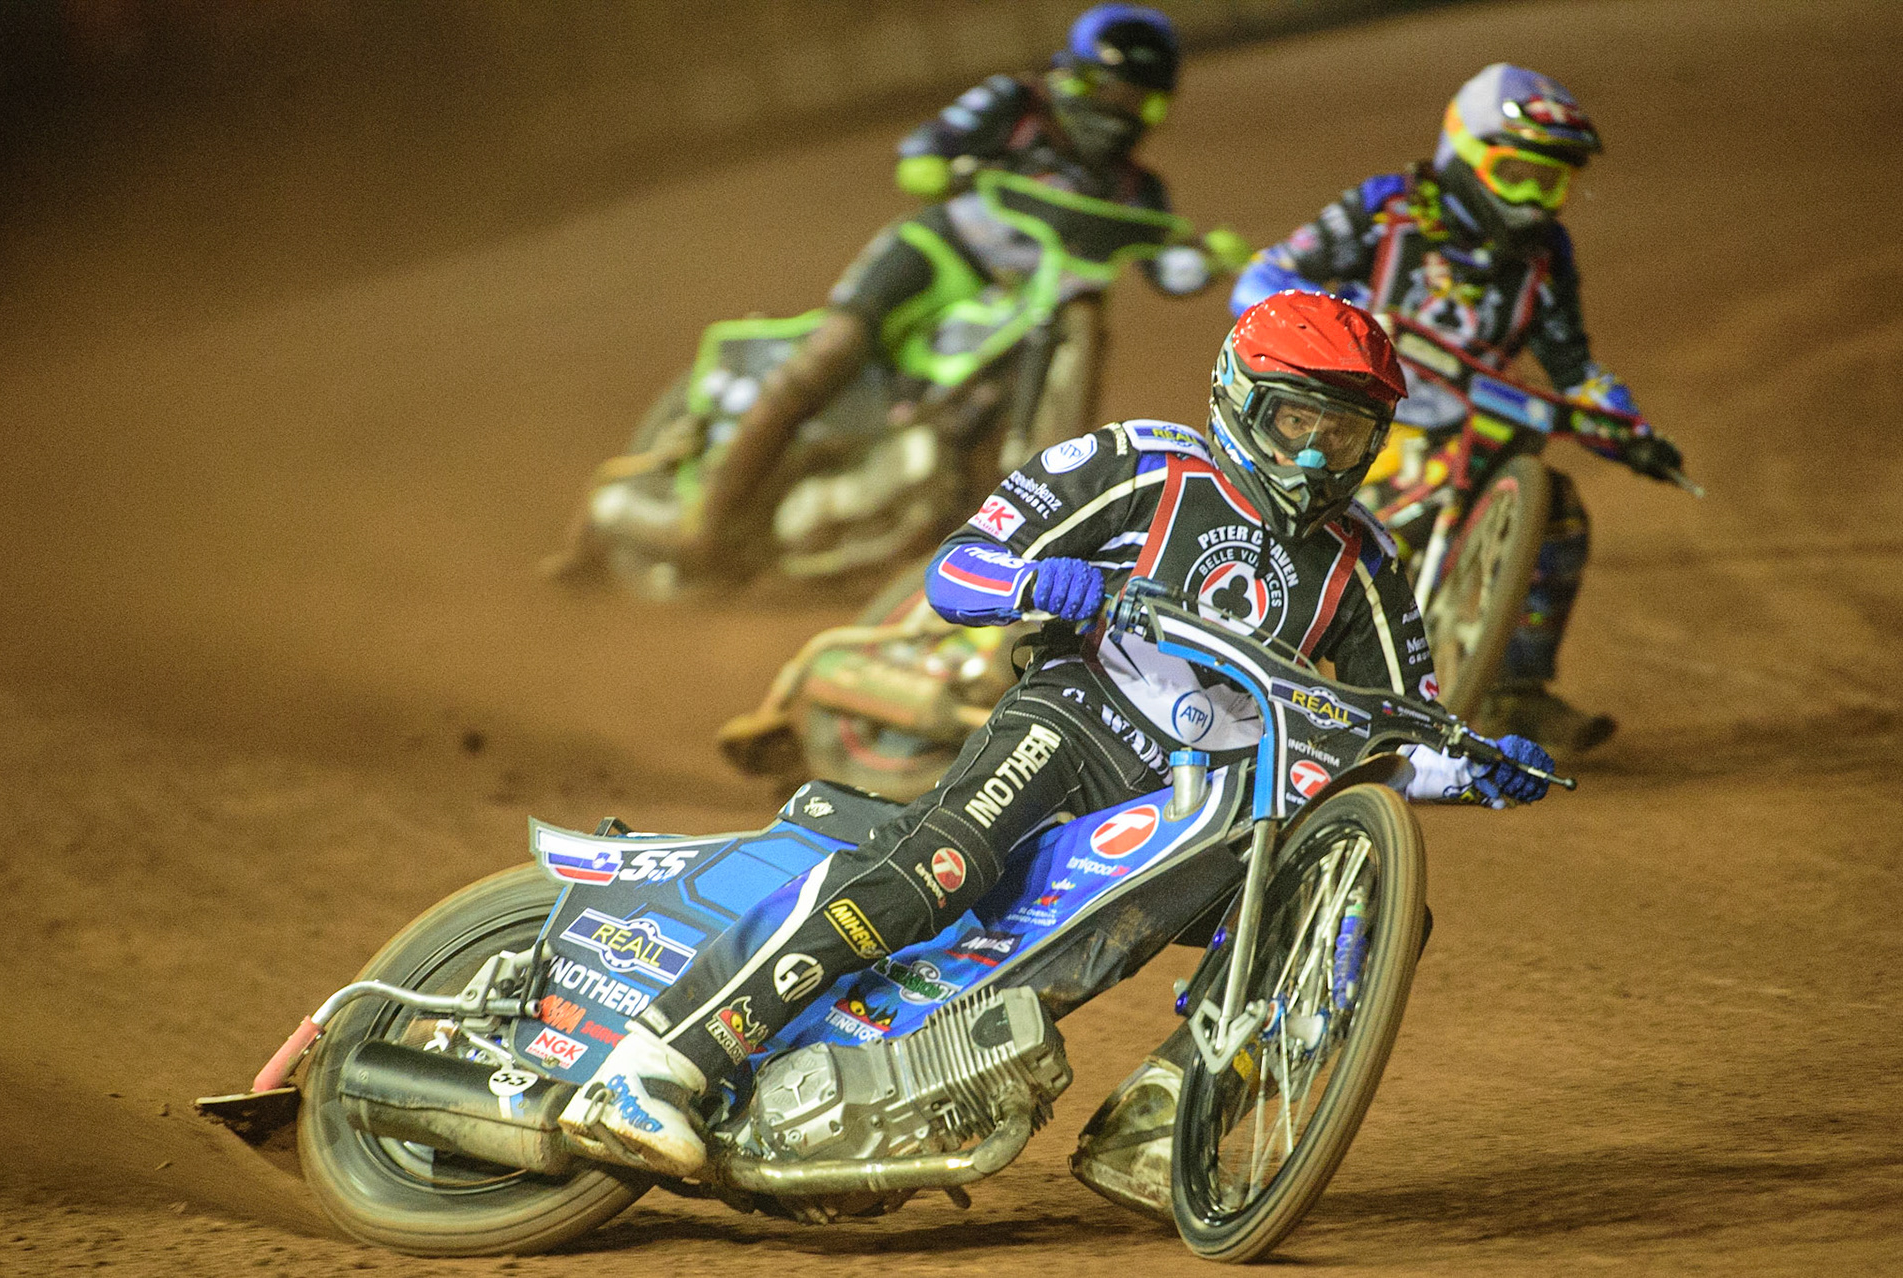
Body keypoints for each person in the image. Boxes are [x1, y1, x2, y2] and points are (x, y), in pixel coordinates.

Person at [558, 291, 1556, 1177]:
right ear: (1240, 397)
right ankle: (661, 1064)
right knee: (942, 866)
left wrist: (1478, 766)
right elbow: (959, 570)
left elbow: (1398, 722)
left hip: (1211, 801)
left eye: (1343, 436)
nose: (1312, 454)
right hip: (1078, 721)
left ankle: (1164, 1118)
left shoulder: (1366, 561)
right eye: (1295, 419)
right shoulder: (1136, 463)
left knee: (1365, 916)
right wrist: (1038, 582)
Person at [551, 4, 1247, 577]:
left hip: (1032, 308)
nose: (1124, 110)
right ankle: (705, 514)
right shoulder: (1016, 103)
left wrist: (1207, 259)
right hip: (940, 257)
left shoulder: (1141, 190)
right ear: (1080, 78)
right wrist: (939, 165)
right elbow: (928, 147)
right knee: (835, 347)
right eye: (1114, 91)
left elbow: (1166, 267)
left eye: (1141, 98)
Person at [1230, 63, 1686, 752]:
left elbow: (1573, 365)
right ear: (1465, 155)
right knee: (1291, 513)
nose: (1536, 201)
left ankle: (1514, 693)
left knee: (1557, 512)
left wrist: (1631, 430)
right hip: (1352, 410)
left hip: (1471, 428)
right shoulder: (1389, 208)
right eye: (1518, 175)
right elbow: (1265, 275)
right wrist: (1327, 327)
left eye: (1552, 181)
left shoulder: (1545, 254)